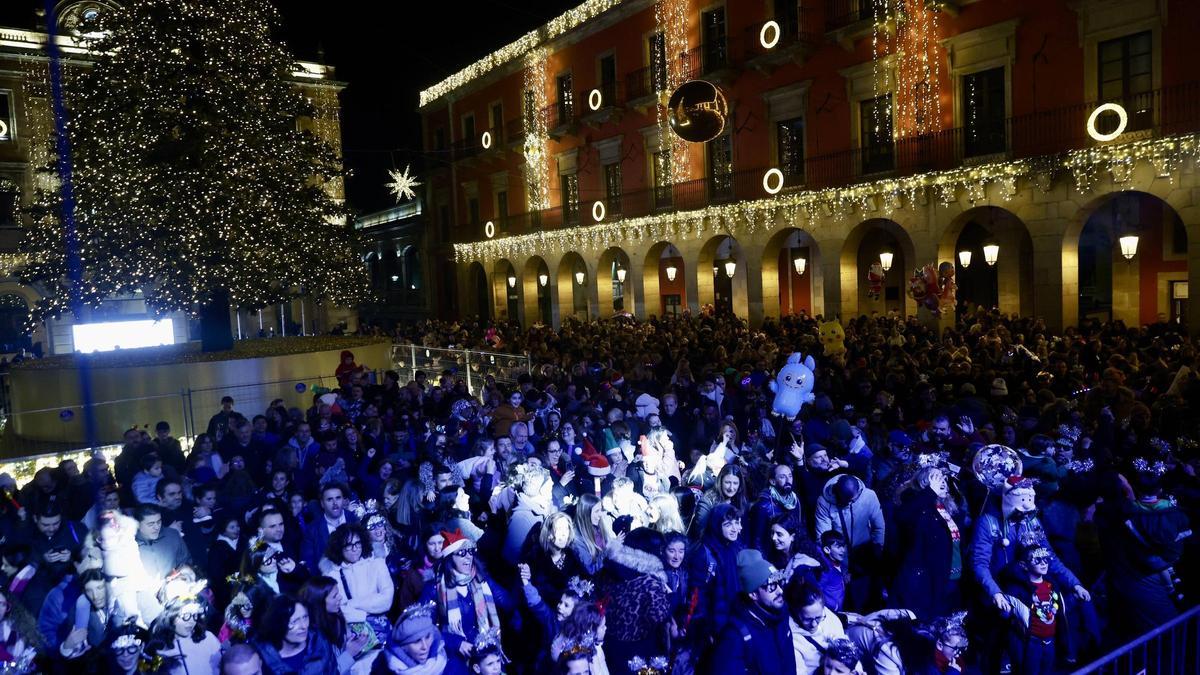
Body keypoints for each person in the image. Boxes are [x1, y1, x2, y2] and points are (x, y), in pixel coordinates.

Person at [710, 548, 795, 674]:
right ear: (753, 594)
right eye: (771, 586)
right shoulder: (735, 636)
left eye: (779, 583)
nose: (780, 591)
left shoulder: (781, 619)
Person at [327, 523, 394, 644]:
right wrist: (366, 616)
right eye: (349, 545)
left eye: (357, 544)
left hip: (382, 633)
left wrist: (352, 604)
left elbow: (387, 599)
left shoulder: (377, 563)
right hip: (352, 637)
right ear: (339, 547)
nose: (354, 549)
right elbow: (338, 610)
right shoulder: (333, 573)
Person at [251, 594, 340, 674]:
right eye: (294, 622)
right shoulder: (264, 658)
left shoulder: (320, 644)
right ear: (278, 624)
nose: (303, 626)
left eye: (305, 617)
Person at [373, 601, 455, 675]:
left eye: (427, 637)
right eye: (416, 641)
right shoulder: (383, 669)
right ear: (403, 647)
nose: (425, 647)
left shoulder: (449, 663)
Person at [787, 579, 847, 674]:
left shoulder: (831, 618)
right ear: (796, 613)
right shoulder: (791, 639)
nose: (814, 624)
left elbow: (845, 652)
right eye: (807, 619)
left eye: (818, 617)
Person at [152, 595, 222, 675]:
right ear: (172, 617)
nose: (191, 621)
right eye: (186, 616)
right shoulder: (160, 648)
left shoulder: (208, 638)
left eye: (194, 616)